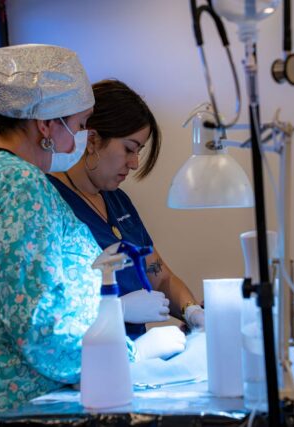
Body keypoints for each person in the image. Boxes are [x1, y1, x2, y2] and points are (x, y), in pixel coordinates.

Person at [0, 46, 183, 426]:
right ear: (46, 125)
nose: (79, 141)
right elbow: (40, 327)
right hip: (22, 404)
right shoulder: (20, 185)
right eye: (79, 126)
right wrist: (129, 353)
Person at [48, 79, 205, 339]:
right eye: (129, 149)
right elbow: (48, 310)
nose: (134, 163)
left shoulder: (117, 201)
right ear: (92, 140)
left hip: (136, 355)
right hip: (92, 355)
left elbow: (160, 278)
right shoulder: (50, 202)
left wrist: (192, 311)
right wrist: (115, 309)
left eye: (138, 151)